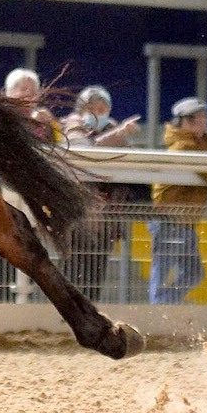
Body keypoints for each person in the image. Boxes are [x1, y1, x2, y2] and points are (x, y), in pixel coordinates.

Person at [60, 85, 144, 301]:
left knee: (96, 273)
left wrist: (120, 135)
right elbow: (83, 151)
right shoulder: (72, 125)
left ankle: (91, 314)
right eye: (93, 108)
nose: (99, 112)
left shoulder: (114, 129)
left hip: (106, 217)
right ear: (82, 109)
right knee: (73, 271)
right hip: (77, 216)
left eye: (103, 108)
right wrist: (120, 134)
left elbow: (130, 161)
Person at [150, 97, 207, 304]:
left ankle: (162, 307)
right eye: (201, 119)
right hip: (169, 220)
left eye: (205, 118)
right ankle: (158, 312)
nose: (205, 123)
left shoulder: (199, 144)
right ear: (186, 121)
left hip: (183, 221)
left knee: (193, 273)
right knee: (163, 274)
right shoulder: (185, 147)